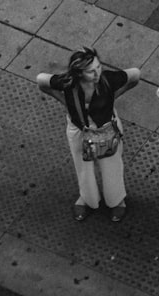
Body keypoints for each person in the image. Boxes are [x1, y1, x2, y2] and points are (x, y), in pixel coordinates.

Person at [37, 48, 140, 222]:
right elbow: (41, 80)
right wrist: (65, 102)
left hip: (105, 127)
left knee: (111, 164)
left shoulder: (107, 80)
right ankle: (87, 198)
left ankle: (116, 200)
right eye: (91, 71)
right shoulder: (68, 82)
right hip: (79, 129)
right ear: (78, 73)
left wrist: (114, 97)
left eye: (98, 67)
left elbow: (135, 75)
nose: (97, 73)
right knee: (82, 165)